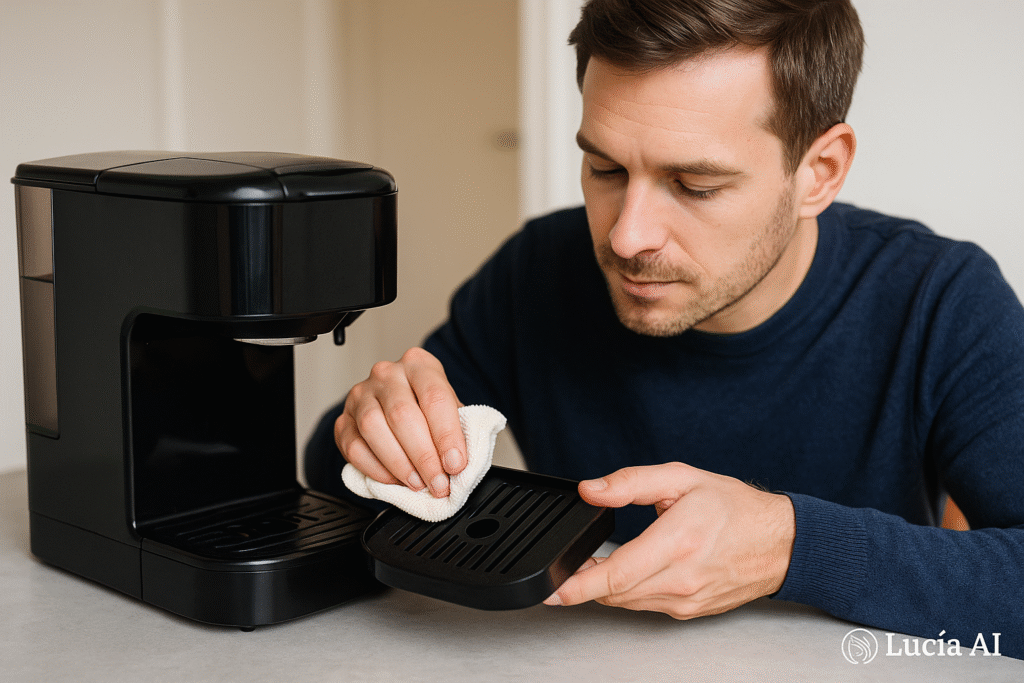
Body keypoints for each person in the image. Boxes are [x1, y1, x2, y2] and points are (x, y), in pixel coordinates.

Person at [306, 0, 1024, 657]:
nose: (626, 236)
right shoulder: (539, 270)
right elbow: (332, 470)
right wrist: (375, 431)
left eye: (695, 185)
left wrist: (791, 546)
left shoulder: (940, 299)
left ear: (819, 172)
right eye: (604, 166)